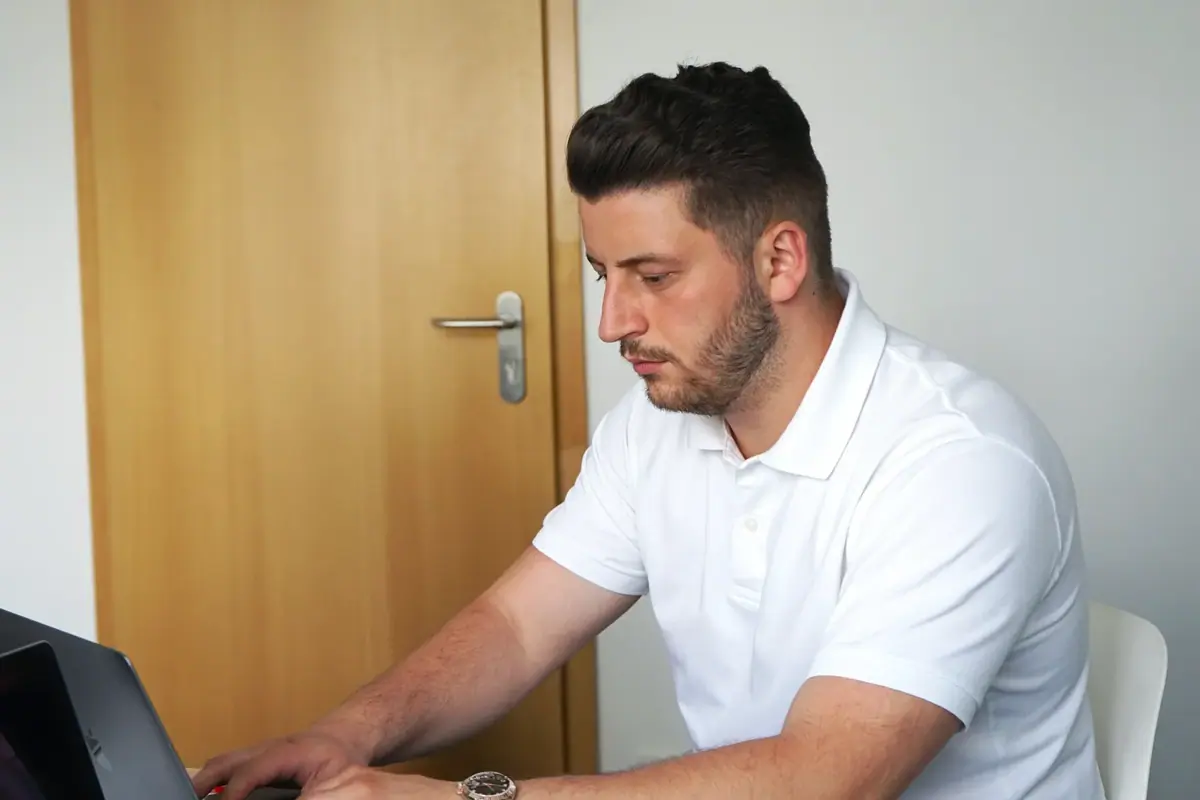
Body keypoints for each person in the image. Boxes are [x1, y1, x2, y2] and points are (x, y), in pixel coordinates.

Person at [192, 62, 1105, 800]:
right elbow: (517, 627)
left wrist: (468, 799)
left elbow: (824, 781)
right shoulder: (657, 425)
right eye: (604, 275)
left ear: (780, 258)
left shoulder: (957, 463)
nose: (612, 323)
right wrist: (343, 735)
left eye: (654, 277)